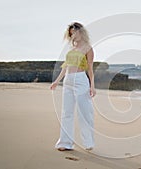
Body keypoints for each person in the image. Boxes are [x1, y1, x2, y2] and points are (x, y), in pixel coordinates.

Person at [50, 22, 96, 151]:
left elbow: (91, 70)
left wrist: (92, 86)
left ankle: (88, 142)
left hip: (81, 80)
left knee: (85, 112)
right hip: (68, 82)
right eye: (71, 34)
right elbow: (65, 67)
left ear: (81, 32)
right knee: (67, 113)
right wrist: (57, 81)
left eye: (74, 32)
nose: (73, 36)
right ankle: (65, 143)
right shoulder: (71, 49)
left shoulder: (88, 48)